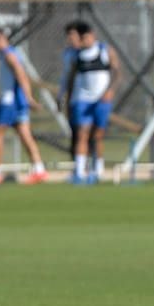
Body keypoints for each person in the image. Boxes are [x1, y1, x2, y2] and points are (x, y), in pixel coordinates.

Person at [0, 27, 47, 185]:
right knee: (25, 135)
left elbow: (21, 76)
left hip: (10, 102)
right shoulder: (8, 54)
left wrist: (29, 98)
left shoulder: (9, 55)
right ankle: (39, 170)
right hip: (13, 101)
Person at [63, 21, 121, 185]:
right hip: (83, 99)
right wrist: (67, 100)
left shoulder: (105, 50)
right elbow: (71, 79)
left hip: (101, 100)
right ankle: (80, 171)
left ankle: (98, 170)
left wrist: (110, 91)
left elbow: (117, 73)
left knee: (98, 135)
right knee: (82, 133)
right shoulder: (77, 55)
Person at [59, 21, 82, 158]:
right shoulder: (68, 53)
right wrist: (61, 95)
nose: (70, 38)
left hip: (86, 97)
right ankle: (77, 163)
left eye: (72, 34)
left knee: (85, 130)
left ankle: (91, 163)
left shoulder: (87, 52)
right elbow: (65, 77)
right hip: (72, 97)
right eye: (68, 35)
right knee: (74, 129)